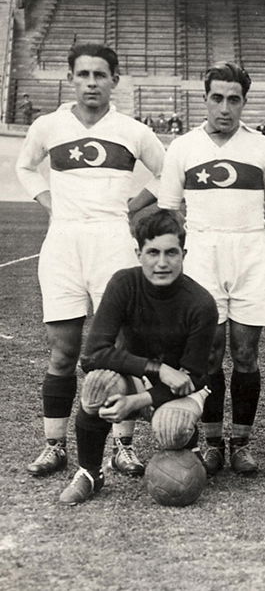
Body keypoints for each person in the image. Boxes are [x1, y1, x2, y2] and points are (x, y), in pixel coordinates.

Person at [16, 43, 163, 479]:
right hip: (62, 244)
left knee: (119, 350)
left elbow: (167, 171)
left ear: (115, 80)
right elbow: (26, 168)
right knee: (62, 351)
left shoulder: (133, 130)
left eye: (101, 75)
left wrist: (133, 207)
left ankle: (123, 445)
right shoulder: (48, 125)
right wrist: (50, 203)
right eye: (83, 75)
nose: (92, 83)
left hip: (113, 245)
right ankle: (54, 445)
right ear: (71, 78)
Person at [157, 62, 265, 476]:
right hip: (203, 251)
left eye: (234, 99)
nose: (225, 108)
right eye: (217, 98)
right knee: (208, 354)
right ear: (204, 98)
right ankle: (211, 442)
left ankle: (240, 442)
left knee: (245, 353)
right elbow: (169, 209)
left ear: (244, 102)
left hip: (250, 250)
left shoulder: (263, 148)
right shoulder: (183, 148)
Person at [57, 210, 217, 504]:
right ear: (138, 253)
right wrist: (157, 368)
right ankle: (89, 472)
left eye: (171, 253)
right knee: (97, 385)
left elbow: (194, 377)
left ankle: (187, 447)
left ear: (184, 253)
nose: (162, 262)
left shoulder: (201, 302)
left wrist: (137, 401)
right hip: (140, 377)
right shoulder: (123, 284)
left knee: (172, 424)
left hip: (184, 388)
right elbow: (93, 355)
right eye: (152, 252)